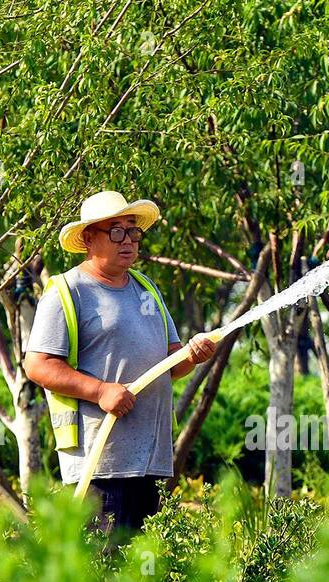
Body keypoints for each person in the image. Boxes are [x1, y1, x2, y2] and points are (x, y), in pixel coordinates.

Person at [24, 190, 217, 543]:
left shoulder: (146, 289)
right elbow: (37, 366)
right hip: (102, 464)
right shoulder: (68, 291)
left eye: (132, 231)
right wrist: (99, 391)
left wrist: (192, 354)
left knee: (143, 574)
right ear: (88, 239)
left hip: (151, 459)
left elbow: (171, 363)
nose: (127, 240)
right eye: (115, 231)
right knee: (105, 570)